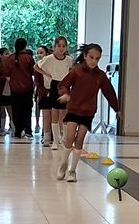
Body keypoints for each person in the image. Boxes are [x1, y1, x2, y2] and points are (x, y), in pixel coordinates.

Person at [56, 43, 120, 183]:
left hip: (88, 112)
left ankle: (72, 171)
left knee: (80, 139)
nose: (94, 61)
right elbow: (63, 84)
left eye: (97, 58)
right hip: (74, 109)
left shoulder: (100, 76)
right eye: (91, 57)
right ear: (85, 56)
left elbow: (109, 93)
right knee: (69, 137)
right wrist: (65, 94)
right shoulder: (76, 71)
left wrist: (116, 109)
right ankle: (63, 165)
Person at [36, 36, 73, 150]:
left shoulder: (69, 59)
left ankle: (65, 139)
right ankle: (55, 141)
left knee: (65, 113)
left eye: (63, 46)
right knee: (55, 113)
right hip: (54, 85)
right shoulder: (49, 58)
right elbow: (36, 66)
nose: (61, 48)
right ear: (54, 47)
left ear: (66, 47)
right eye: (59, 46)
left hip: (65, 86)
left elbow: (72, 71)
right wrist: (46, 74)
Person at [5, 38, 36, 139]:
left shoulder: (10, 58)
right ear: (25, 46)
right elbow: (33, 72)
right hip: (27, 88)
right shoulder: (29, 58)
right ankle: (27, 131)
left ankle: (18, 131)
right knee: (27, 110)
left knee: (16, 110)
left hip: (14, 89)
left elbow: (7, 74)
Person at [0, 47, 12, 135]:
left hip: (10, 89)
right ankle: (1, 128)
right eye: (6, 54)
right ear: (0, 55)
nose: (8, 55)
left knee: (10, 109)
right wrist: (5, 78)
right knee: (1, 110)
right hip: (1, 89)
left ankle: (12, 127)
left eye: (9, 53)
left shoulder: (11, 64)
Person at [34, 45, 49, 139]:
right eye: (38, 53)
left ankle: (46, 130)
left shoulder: (50, 64)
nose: (39, 55)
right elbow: (37, 81)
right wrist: (42, 91)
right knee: (38, 108)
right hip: (41, 91)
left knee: (47, 112)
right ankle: (37, 124)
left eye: (41, 53)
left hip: (50, 90)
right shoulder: (37, 66)